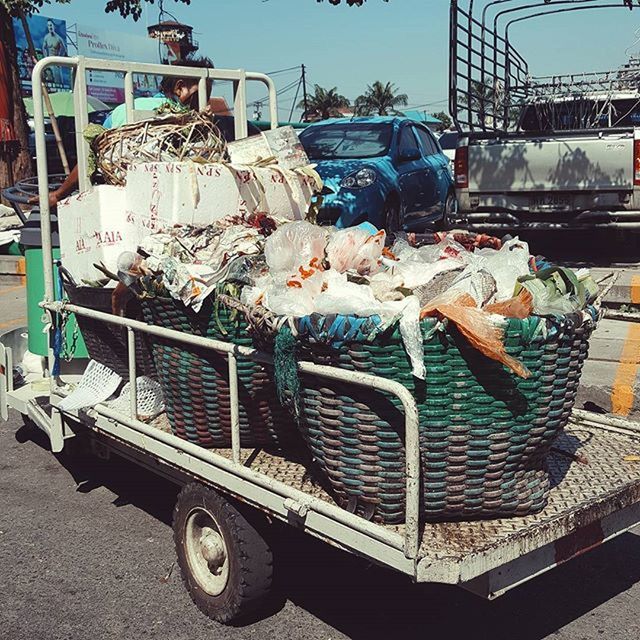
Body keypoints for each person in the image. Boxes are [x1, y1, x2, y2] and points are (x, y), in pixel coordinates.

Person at [37, 56, 259, 207]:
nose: (204, 101)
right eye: (202, 92)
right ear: (179, 88)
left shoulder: (123, 111)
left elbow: (89, 159)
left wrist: (58, 194)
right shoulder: (189, 123)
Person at [41, 19, 67, 87]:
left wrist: (59, 57)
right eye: (48, 26)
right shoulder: (46, 37)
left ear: (54, 26)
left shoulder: (59, 38)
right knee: (49, 81)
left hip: (56, 63)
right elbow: (43, 48)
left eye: (51, 25)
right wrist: (46, 58)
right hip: (49, 62)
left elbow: (64, 49)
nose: (50, 27)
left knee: (58, 82)